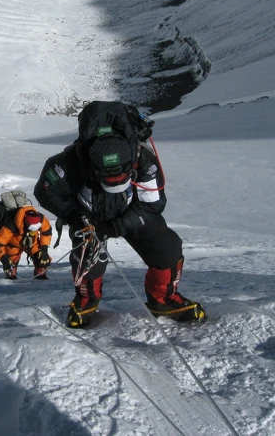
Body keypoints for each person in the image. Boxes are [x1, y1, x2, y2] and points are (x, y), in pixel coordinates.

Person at [34, 103, 205, 328]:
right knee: (87, 259)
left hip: (131, 210)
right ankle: (86, 300)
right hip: (88, 216)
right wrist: (73, 215)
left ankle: (163, 300)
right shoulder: (67, 163)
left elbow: (153, 204)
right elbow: (44, 192)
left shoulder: (143, 158)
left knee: (167, 247)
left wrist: (116, 227)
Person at [0, 206, 52, 280]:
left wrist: (44, 250)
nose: (33, 231)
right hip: (13, 245)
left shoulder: (41, 218)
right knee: (10, 269)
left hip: (32, 243)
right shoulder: (10, 225)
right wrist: (5, 260)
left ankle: (40, 274)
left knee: (43, 260)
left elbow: (46, 232)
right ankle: (11, 276)